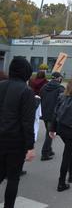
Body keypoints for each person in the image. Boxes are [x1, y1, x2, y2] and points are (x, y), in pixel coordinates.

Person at [0, 56, 36, 208]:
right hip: (16, 141)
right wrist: (30, 146)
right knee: (13, 178)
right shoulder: (26, 91)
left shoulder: (1, 85)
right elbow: (27, 122)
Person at [39, 72, 65, 161]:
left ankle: (49, 150)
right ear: (58, 78)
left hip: (44, 112)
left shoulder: (44, 87)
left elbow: (40, 96)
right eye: (61, 78)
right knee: (50, 133)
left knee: (49, 131)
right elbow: (63, 101)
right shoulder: (60, 88)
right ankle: (45, 153)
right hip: (53, 114)